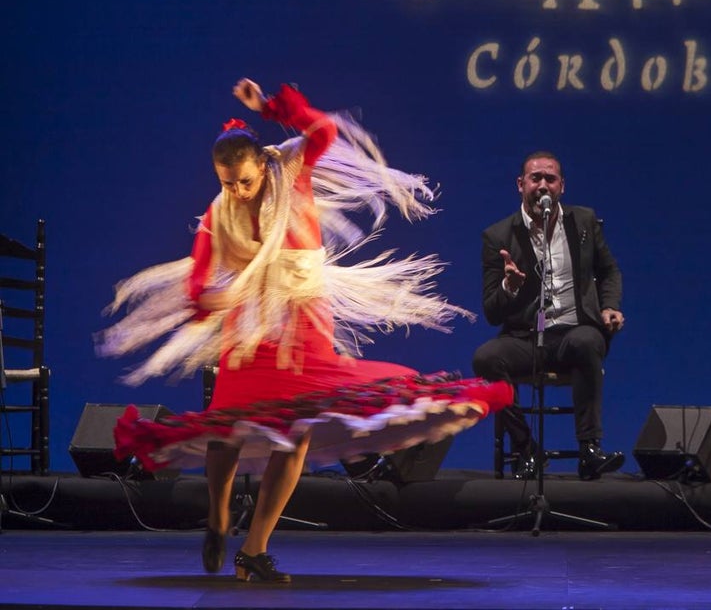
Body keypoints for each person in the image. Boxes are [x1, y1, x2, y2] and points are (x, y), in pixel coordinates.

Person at [98, 78, 511, 581]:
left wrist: (273, 107)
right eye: (227, 184)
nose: (237, 192)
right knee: (228, 426)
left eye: (244, 181)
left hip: (304, 320)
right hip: (251, 328)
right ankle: (219, 515)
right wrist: (211, 297)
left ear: (260, 165)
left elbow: (323, 132)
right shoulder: (218, 214)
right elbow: (199, 280)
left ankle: (254, 549)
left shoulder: (290, 169)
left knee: (295, 433)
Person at [472, 151, 626, 481]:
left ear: (561, 186)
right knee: (485, 359)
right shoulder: (498, 237)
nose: (543, 185)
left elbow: (609, 270)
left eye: (550, 179)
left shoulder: (583, 221)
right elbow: (492, 312)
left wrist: (609, 306)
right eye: (535, 178)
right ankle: (527, 449)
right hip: (526, 338)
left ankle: (590, 450)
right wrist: (509, 287)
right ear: (521, 184)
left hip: (574, 332)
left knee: (587, 342)